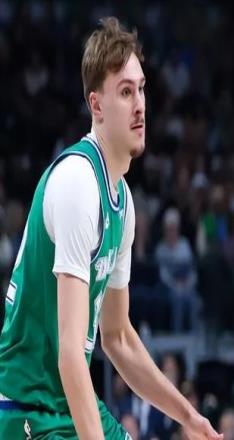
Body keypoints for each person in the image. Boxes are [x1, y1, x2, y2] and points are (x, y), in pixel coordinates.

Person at [0, 17, 222, 440]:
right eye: (125, 92)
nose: (140, 105)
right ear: (97, 105)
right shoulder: (78, 183)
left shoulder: (123, 203)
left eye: (141, 89)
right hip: (27, 408)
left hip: (66, 401)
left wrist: (187, 416)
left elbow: (117, 337)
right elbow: (70, 353)